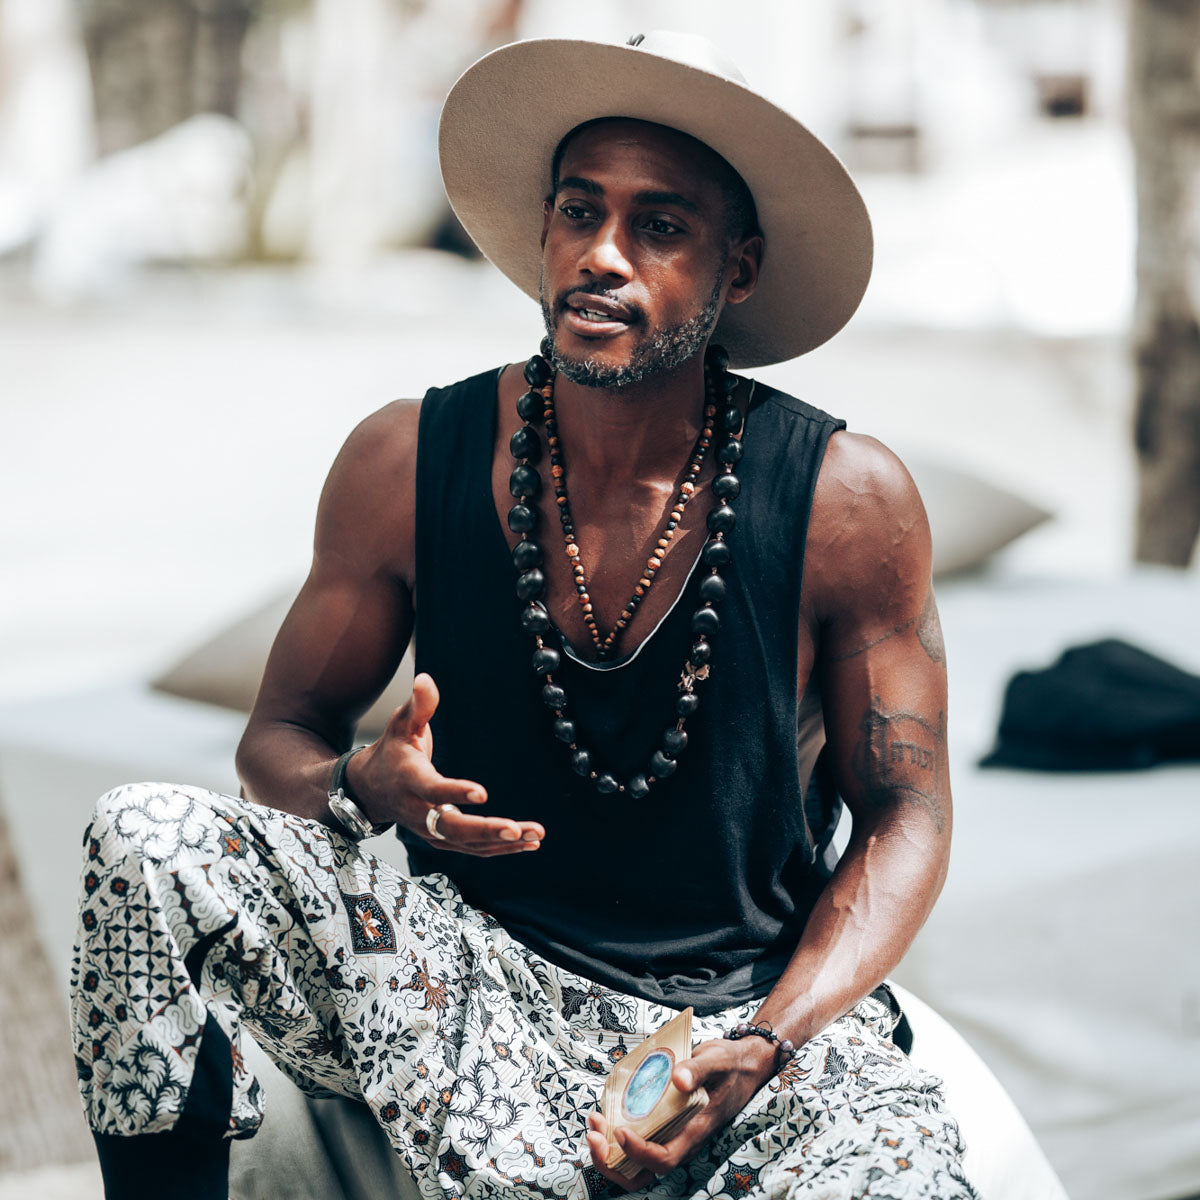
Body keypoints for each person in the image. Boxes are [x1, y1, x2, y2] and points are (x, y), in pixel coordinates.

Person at [72, 31, 975, 1200]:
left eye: (660, 226)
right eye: (578, 212)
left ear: (739, 269)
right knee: (143, 836)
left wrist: (769, 1043)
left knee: (905, 1177)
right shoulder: (407, 458)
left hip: (734, 1014)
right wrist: (362, 785)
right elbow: (278, 741)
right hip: (456, 985)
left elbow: (907, 817)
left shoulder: (847, 502)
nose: (602, 255)